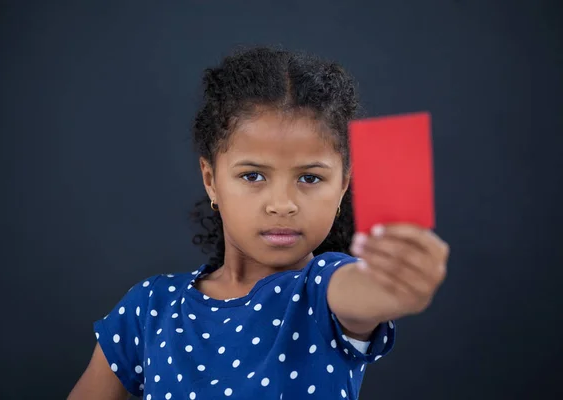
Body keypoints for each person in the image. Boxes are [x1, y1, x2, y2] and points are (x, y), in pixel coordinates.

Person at [68, 46, 449, 400]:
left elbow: (364, 291)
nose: (282, 205)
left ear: (343, 185)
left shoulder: (322, 292)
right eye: (252, 176)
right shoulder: (149, 309)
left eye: (310, 178)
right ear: (211, 179)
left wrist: (395, 281)